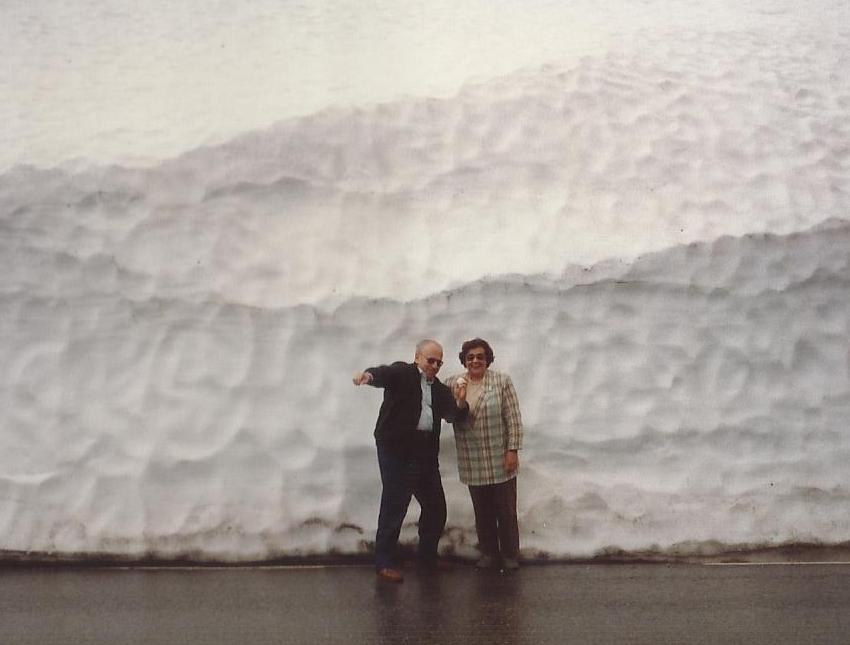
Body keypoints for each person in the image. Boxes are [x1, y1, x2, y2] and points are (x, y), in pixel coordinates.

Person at [353, 339, 468, 582]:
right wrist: (368, 376)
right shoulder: (403, 373)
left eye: (439, 362)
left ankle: (427, 559)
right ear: (417, 357)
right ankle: (384, 562)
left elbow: (452, 416)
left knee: (436, 508)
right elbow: (384, 374)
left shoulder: (438, 389)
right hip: (395, 448)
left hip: (424, 452)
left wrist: (459, 401)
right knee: (395, 505)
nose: (435, 365)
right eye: (430, 360)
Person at [443, 338, 523, 571]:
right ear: (464, 360)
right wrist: (458, 401)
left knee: (506, 511)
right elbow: (448, 416)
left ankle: (509, 556)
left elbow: (513, 418)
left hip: (500, 457)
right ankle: (489, 554)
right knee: (483, 511)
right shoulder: (452, 383)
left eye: (480, 356)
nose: (475, 360)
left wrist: (512, 450)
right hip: (472, 458)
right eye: (470, 357)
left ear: (487, 359)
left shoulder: (501, 382)